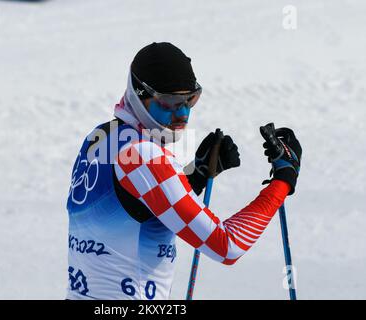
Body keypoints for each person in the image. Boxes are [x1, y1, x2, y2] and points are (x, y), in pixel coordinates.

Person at [66, 42, 302, 300]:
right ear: (138, 93)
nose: (183, 113)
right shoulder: (145, 156)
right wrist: (283, 179)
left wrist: (196, 175)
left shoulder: (100, 136)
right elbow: (227, 246)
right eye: (169, 102)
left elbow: (142, 206)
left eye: (190, 99)